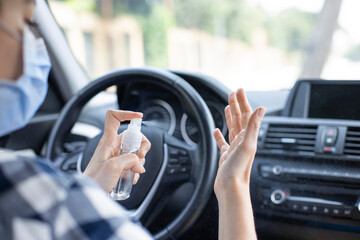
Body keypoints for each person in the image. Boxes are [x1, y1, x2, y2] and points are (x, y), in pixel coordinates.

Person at [0, 0, 265, 239]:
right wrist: (233, 187)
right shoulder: (45, 199)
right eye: (26, 24)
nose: (33, 43)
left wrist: (89, 186)